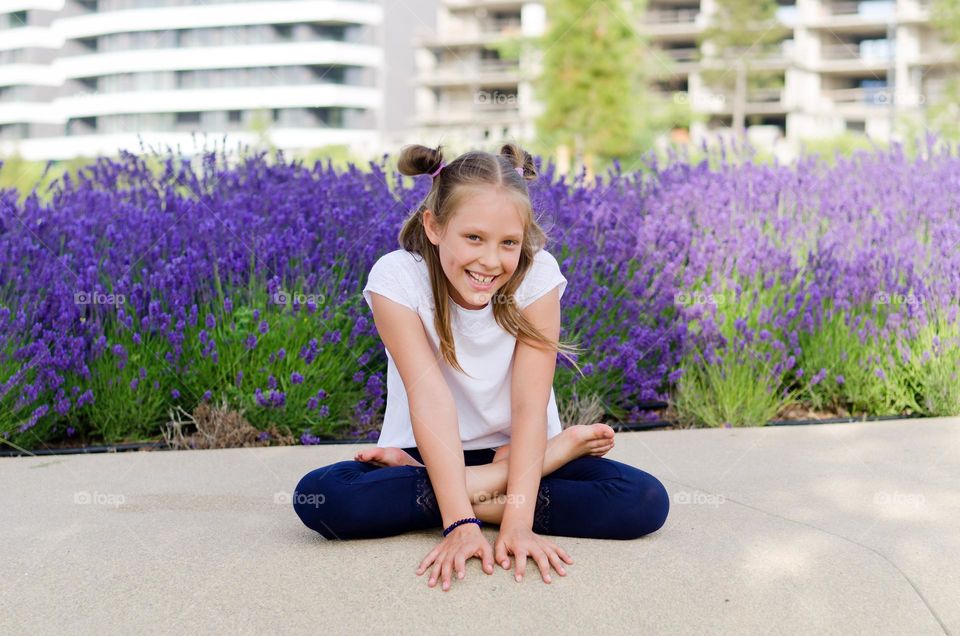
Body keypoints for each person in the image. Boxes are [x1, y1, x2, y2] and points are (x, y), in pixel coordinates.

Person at [292, 142, 669, 591]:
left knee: (644, 501)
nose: (491, 261)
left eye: (508, 243)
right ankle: (502, 473)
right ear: (433, 226)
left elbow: (529, 407)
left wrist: (518, 520)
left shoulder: (538, 275)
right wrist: (460, 523)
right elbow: (431, 399)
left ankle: (428, 485)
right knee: (323, 498)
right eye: (474, 238)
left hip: (521, 453)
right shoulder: (397, 278)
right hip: (431, 450)